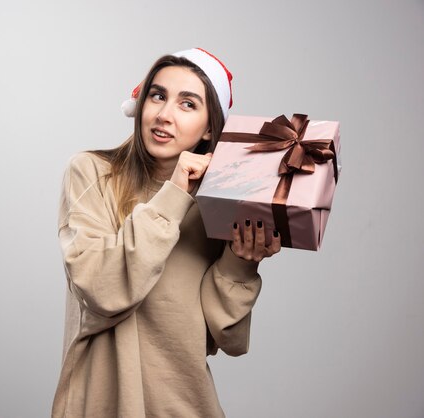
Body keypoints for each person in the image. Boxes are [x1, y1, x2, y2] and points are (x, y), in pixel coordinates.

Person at [52, 48, 281, 418]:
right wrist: (174, 194)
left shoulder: (218, 203)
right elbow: (99, 290)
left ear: (209, 127)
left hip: (184, 405)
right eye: (157, 96)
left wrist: (240, 264)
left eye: (187, 104)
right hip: (99, 402)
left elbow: (227, 339)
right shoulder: (91, 173)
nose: (164, 114)